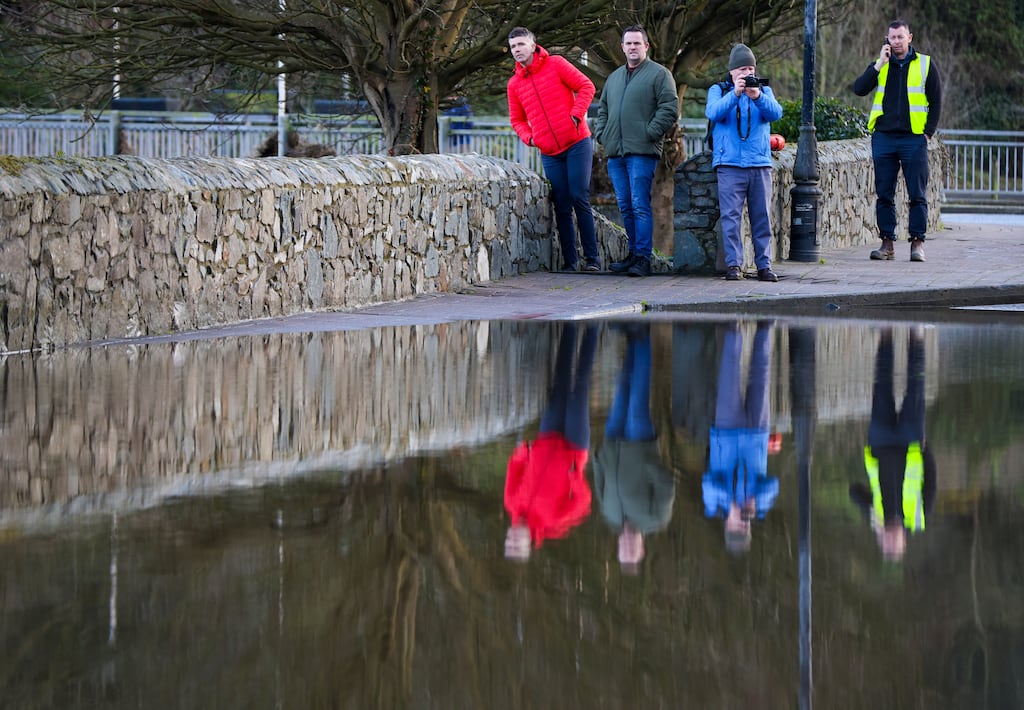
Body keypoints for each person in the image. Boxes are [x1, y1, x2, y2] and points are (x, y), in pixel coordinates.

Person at [506, 27, 600, 273]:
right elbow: (517, 120)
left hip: (577, 142)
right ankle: (570, 262)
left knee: (579, 195)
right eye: (513, 46)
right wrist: (531, 138)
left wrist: (577, 114)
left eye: (521, 44)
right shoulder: (514, 84)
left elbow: (587, 86)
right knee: (561, 203)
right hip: (549, 152)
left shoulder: (556, 64)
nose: (517, 50)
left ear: (533, 44)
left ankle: (593, 260)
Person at [504, 323, 598, 560]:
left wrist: (523, 453)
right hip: (574, 449)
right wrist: (574, 476)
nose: (513, 539)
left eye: (509, 542)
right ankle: (594, 327)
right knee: (580, 389)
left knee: (560, 383)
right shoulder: (553, 523)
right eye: (518, 545)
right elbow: (583, 503)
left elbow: (514, 468)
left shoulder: (511, 502)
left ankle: (571, 325)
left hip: (546, 439)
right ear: (529, 544)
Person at [852, 19, 942, 263]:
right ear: (887, 40)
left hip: (914, 138)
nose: (897, 42)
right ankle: (887, 243)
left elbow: (936, 101)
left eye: (901, 37)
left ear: (910, 37)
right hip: (884, 137)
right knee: (884, 193)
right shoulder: (880, 66)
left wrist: (928, 132)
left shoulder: (925, 64)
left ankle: (917, 244)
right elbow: (859, 89)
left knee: (917, 194)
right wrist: (879, 63)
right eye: (892, 38)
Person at [593, 25, 679, 278]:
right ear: (622, 47)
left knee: (640, 204)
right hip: (616, 152)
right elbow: (604, 109)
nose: (632, 47)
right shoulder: (615, 77)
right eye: (628, 43)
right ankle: (633, 255)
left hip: (642, 151)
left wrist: (649, 132)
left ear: (646, 46)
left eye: (637, 43)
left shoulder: (660, 75)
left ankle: (643, 258)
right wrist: (602, 134)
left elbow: (669, 108)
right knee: (625, 205)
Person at [592, 323, 675, 574]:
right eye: (631, 549)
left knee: (623, 386)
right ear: (642, 547)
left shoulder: (611, 517)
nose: (627, 543)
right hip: (640, 443)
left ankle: (631, 338)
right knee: (638, 391)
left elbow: (600, 484)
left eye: (623, 549)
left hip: (613, 441)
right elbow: (667, 486)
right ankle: (642, 336)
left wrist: (599, 459)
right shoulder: (655, 520)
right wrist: (647, 463)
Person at [849, 327, 936, 562]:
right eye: (892, 543)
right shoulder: (919, 517)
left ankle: (885, 335)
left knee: (881, 383)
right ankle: (915, 337)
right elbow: (931, 483)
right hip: (910, 443)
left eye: (884, 543)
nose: (887, 539)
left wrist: (872, 517)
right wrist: (927, 451)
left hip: (880, 442)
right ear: (903, 542)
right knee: (915, 385)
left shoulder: (876, 517)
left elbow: (853, 491)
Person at [705, 43, 784, 283]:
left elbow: (776, 113)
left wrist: (757, 96)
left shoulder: (763, 91)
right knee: (731, 218)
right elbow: (713, 113)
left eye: (750, 68)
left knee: (762, 217)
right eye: (741, 69)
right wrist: (735, 94)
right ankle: (734, 265)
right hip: (729, 164)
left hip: (759, 163)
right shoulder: (718, 90)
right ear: (732, 71)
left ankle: (764, 265)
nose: (746, 73)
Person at [702, 321, 780, 553]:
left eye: (737, 527)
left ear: (728, 525)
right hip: (756, 434)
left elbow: (708, 482)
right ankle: (765, 328)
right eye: (745, 529)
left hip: (726, 432)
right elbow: (773, 484)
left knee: (729, 375)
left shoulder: (714, 505)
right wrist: (755, 500)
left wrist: (732, 503)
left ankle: (734, 329)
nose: (742, 524)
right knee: (761, 377)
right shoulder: (761, 508)